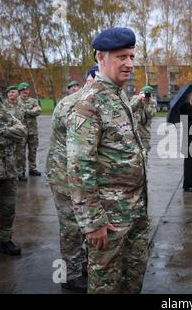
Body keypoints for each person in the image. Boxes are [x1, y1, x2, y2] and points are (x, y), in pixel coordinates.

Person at [66, 27, 148, 294]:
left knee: (132, 280)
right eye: (121, 57)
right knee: (105, 285)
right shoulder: (90, 103)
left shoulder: (118, 95)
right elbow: (79, 167)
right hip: (109, 221)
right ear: (101, 57)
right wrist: (93, 222)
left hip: (134, 212)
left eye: (132, 57)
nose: (130, 64)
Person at [45, 67, 98, 293]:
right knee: (71, 227)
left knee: (83, 225)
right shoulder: (73, 105)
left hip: (77, 176)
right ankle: (70, 274)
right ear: (90, 80)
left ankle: (82, 264)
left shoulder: (92, 102)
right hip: (64, 176)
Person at [0, 79, 27, 267]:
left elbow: (22, 130)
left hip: (8, 171)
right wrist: (5, 132)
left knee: (8, 209)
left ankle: (5, 240)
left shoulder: (4, 114)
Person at [17, 82, 42, 178]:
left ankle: (32, 169)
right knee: (20, 152)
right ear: (20, 91)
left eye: (26, 90)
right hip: (21, 131)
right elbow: (17, 113)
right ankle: (20, 171)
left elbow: (38, 110)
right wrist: (32, 111)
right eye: (23, 90)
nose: (25, 91)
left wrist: (26, 111)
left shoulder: (33, 101)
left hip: (32, 131)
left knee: (33, 150)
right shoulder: (16, 101)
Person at [3, 86, 27, 181]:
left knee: (20, 154)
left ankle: (20, 173)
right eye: (9, 92)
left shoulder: (21, 105)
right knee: (8, 155)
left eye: (13, 92)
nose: (10, 94)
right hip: (8, 134)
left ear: (17, 93)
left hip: (20, 134)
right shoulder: (3, 105)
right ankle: (9, 175)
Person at [130, 85, 157, 153]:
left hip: (145, 131)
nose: (146, 95)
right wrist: (139, 99)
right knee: (134, 151)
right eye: (145, 93)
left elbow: (151, 114)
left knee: (145, 150)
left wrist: (147, 103)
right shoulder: (135, 98)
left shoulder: (151, 102)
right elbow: (130, 109)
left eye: (148, 94)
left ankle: (144, 163)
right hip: (134, 131)